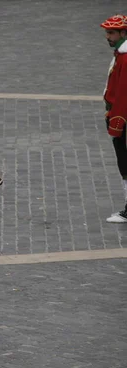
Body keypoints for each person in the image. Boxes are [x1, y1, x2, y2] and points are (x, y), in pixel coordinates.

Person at [101, 15, 127, 223]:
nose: (108, 36)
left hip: (123, 119)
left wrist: (116, 122)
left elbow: (123, 94)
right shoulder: (120, 54)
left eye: (111, 33)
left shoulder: (125, 58)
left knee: (126, 164)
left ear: (123, 33)